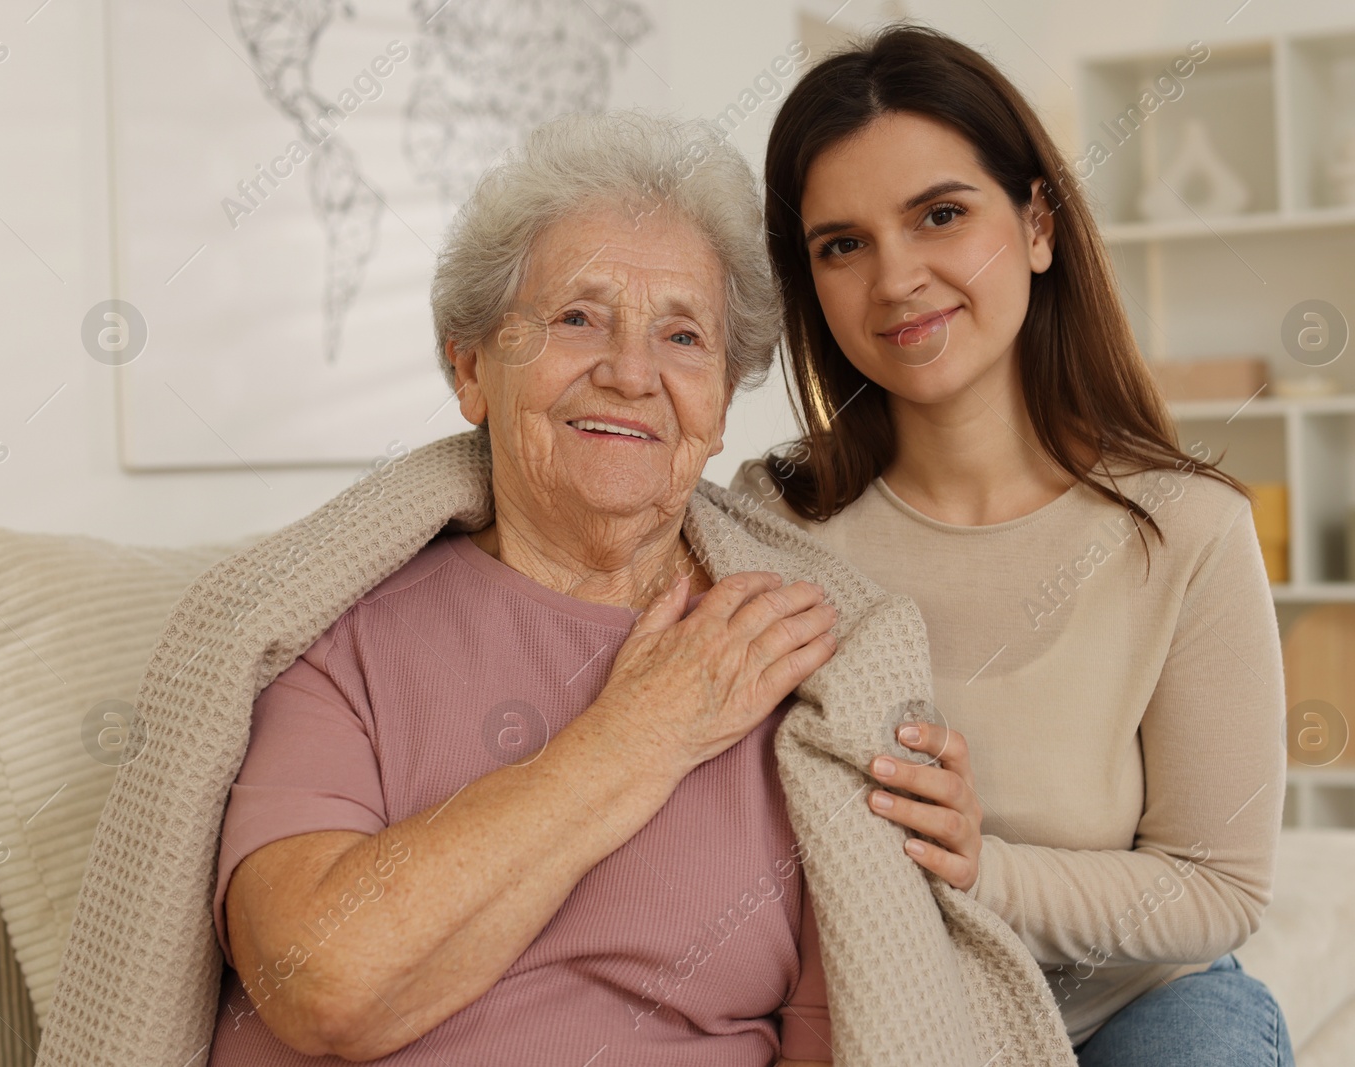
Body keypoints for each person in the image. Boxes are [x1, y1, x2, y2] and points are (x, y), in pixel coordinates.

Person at [204, 111, 875, 1065]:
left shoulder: (787, 651)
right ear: (471, 368)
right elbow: (318, 983)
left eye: (683, 336)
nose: (631, 372)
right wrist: (638, 736)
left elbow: (844, 1031)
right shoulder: (337, 631)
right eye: (577, 318)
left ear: (722, 404)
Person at [734, 24, 1294, 1067]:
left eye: (940, 215)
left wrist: (976, 867)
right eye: (841, 244)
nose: (896, 278)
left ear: (1037, 223)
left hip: (1136, 1005)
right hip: (884, 997)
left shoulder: (1185, 529)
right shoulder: (774, 520)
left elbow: (1218, 888)